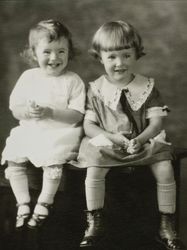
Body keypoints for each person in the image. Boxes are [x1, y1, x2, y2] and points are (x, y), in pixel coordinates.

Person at [73, 21, 185, 249]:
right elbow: (89, 127)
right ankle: (94, 221)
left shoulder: (148, 87)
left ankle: (166, 224)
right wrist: (113, 138)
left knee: (165, 168)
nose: (119, 63)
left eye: (126, 55)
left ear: (136, 55)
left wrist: (140, 140)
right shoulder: (96, 89)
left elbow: (155, 123)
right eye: (112, 57)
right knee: (94, 167)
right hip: (109, 141)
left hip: (141, 140)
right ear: (100, 57)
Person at [1, 19, 85, 230]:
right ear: (34, 53)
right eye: (47, 51)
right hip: (31, 129)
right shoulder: (28, 77)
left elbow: (76, 115)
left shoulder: (73, 80)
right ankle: (23, 202)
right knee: (14, 158)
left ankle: (44, 203)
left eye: (61, 51)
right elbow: (15, 108)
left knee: (53, 160)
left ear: (69, 52)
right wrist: (27, 112)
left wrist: (50, 112)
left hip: (60, 131)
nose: (54, 58)